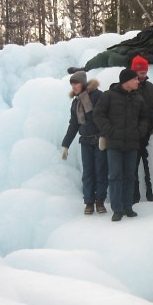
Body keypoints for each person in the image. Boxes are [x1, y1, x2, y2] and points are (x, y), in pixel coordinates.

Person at [94, 69, 149, 222]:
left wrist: (140, 131)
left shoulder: (138, 98)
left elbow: (145, 117)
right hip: (114, 144)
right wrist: (108, 131)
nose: (138, 81)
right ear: (126, 81)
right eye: (135, 79)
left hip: (132, 143)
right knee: (115, 176)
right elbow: (98, 114)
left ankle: (128, 207)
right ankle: (117, 209)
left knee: (130, 176)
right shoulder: (109, 96)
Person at [67, 13, 153, 73]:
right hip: (129, 49)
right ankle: (85, 69)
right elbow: (135, 40)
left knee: (112, 58)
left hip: (137, 58)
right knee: (104, 55)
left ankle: (104, 76)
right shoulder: (149, 30)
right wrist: (121, 45)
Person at [61, 71, 108, 215]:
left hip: (99, 140)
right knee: (88, 172)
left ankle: (99, 201)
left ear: (83, 83)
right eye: (72, 84)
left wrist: (104, 136)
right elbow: (73, 125)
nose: (74, 86)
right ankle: (88, 202)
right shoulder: (76, 103)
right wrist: (65, 144)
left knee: (100, 171)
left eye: (76, 83)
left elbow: (105, 116)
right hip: (86, 141)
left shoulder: (97, 96)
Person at [130, 55, 153, 203]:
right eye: (141, 72)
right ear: (134, 71)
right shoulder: (128, 88)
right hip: (133, 136)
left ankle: (151, 194)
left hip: (149, 134)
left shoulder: (151, 88)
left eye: (145, 72)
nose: (144, 75)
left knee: (149, 167)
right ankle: (134, 196)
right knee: (133, 167)